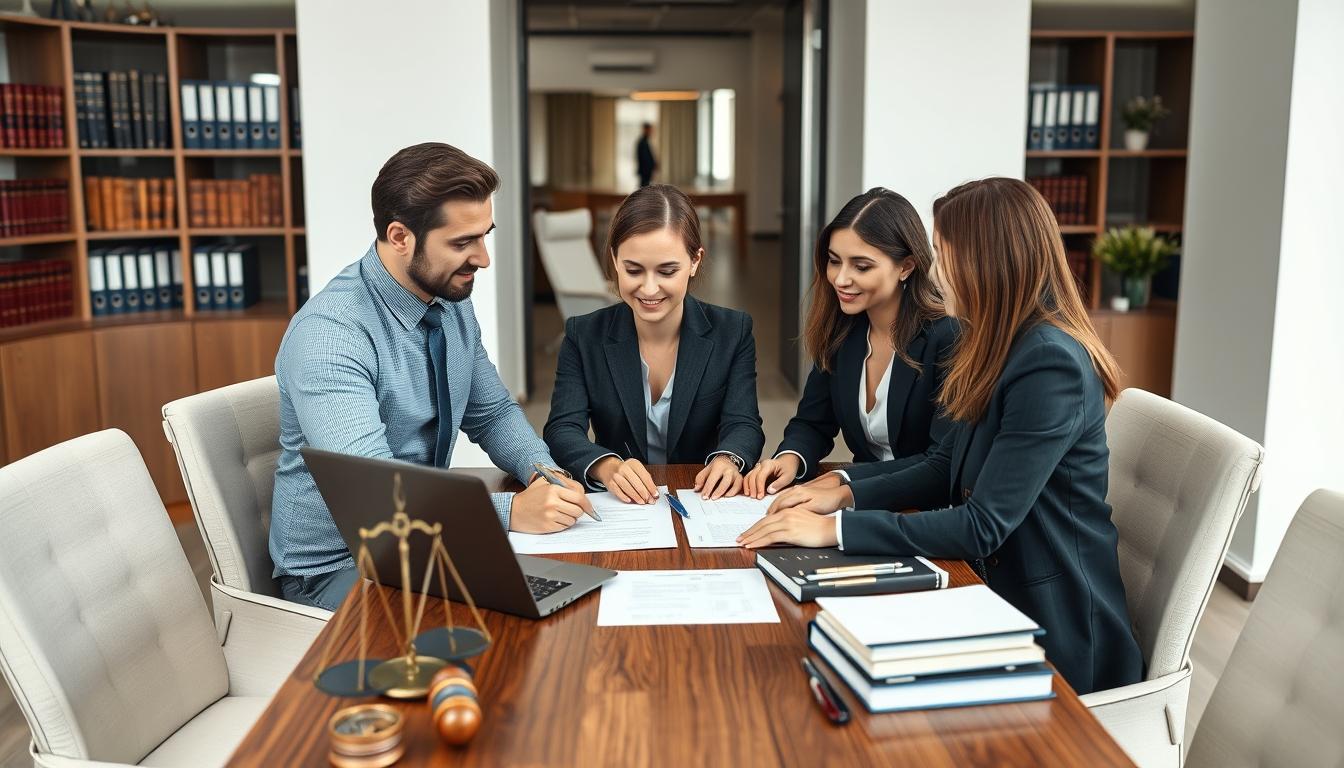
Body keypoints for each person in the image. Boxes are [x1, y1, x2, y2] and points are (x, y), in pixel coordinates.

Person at [739, 177, 1143, 695]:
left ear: (988, 262)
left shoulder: (1048, 362)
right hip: (984, 588)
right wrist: (842, 491)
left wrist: (834, 529)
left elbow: (981, 526)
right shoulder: (997, 344)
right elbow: (942, 466)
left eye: (944, 254)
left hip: (1052, 630)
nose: (938, 270)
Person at [271, 142, 592, 611]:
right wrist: (510, 512)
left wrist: (544, 473)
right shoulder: (331, 335)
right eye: (462, 243)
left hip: (422, 542)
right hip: (343, 566)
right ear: (400, 236)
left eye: (485, 236)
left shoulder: (447, 304)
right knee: (498, 631)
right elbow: (377, 498)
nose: (483, 258)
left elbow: (492, 412)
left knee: (561, 602)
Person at [544, 184, 764, 503]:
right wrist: (606, 466)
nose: (649, 288)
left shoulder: (732, 331)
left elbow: (743, 423)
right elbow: (562, 429)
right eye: (634, 270)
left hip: (703, 499)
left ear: (694, 261)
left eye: (667, 270)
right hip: (623, 504)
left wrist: (728, 459)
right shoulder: (584, 335)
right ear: (615, 260)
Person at [742, 188, 958, 500]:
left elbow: (941, 462)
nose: (841, 279)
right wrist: (789, 457)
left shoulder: (947, 336)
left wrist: (842, 480)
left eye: (861, 266)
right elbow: (813, 422)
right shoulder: (843, 331)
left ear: (906, 267)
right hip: (862, 506)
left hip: (926, 511)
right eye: (834, 261)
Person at [636, 122, 658, 188]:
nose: (651, 132)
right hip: (645, 170)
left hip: (646, 170)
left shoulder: (645, 141)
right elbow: (644, 158)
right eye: (650, 130)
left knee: (645, 187)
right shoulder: (642, 142)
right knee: (644, 188)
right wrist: (652, 165)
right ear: (645, 129)